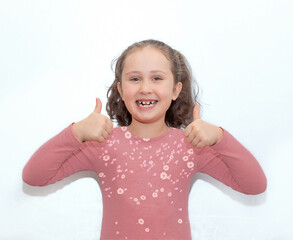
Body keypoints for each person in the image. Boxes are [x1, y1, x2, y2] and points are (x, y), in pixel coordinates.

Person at [22, 39, 267, 240]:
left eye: (157, 78)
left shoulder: (190, 146)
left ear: (175, 90)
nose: (145, 88)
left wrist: (219, 138)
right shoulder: (104, 144)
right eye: (135, 78)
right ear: (120, 89)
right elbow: (34, 176)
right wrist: (76, 132)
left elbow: (255, 185)